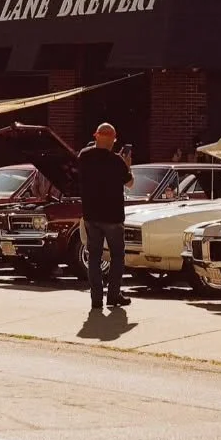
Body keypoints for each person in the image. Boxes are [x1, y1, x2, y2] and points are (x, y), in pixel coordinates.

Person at [77, 123, 134, 309]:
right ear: (110, 139)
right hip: (113, 216)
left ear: (96, 136)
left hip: (91, 215)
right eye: (112, 140)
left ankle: (96, 299)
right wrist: (128, 166)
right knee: (117, 256)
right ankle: (113, 295)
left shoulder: (84, 156)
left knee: (94, 257)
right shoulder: (116, 161)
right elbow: (131, 183)